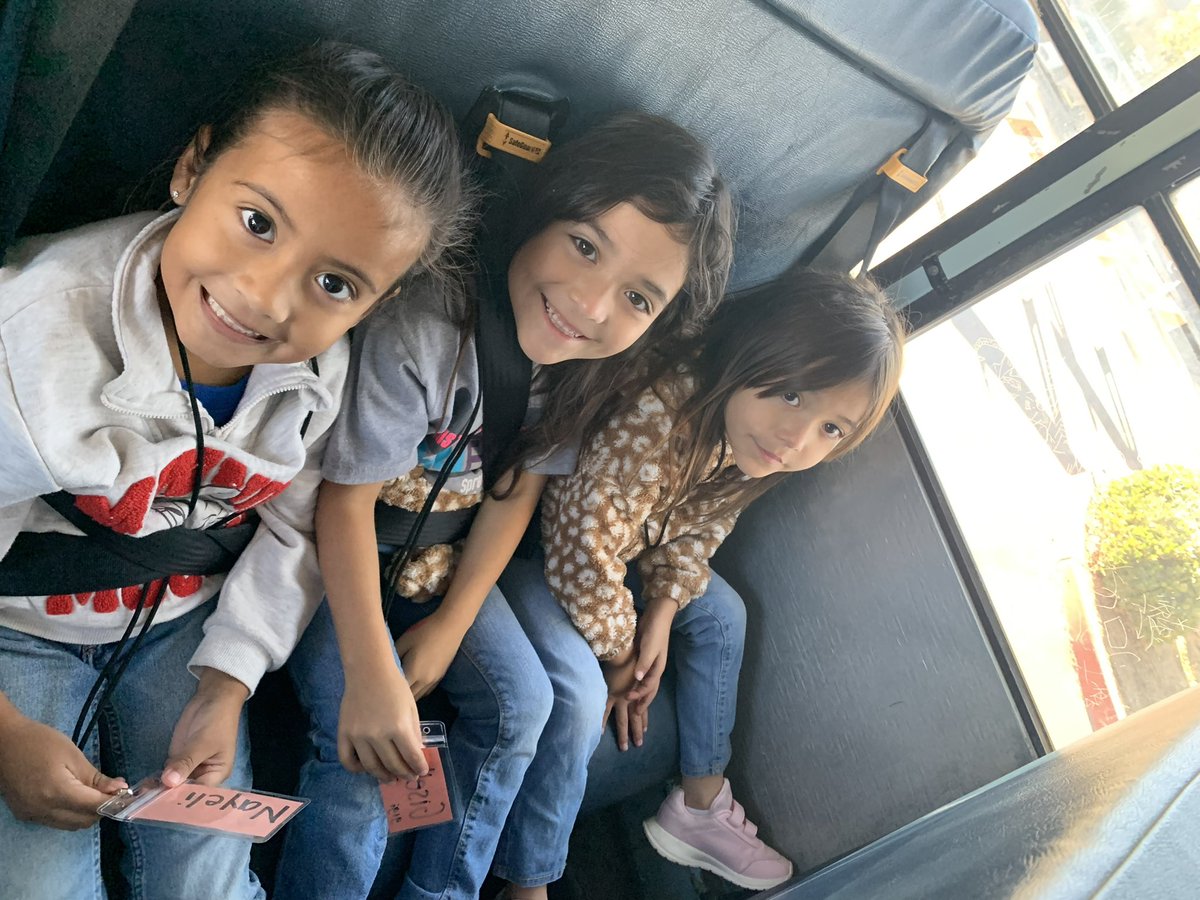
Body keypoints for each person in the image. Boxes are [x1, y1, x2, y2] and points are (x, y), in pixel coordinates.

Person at [0, 41, 470, 900]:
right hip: (19, 626)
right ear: (191, 168)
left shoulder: (315, 378)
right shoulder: (39, 337)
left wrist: (228, 682)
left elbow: (292, 526)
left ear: (378, 303)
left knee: (208, 878)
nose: (265, 297)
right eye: (257, 222)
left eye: (334, 282)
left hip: (180, 632)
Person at [275, 111, 734, 900]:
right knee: (363, 759)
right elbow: (344, 507)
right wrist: (373, 670)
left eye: (637, 298)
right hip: (334, 563)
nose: (590, 308)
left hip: (441, 565)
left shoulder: (578, 372)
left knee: (524, 705)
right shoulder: (429, 331)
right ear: (544, 206)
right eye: (585, 246)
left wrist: (450, 628)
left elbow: (513, 493)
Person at [524, 269, 905, 892]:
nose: (798, 438)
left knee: (722, 614)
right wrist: (624, 661)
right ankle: (529, 873)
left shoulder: (748, 435)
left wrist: (664, 612)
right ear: (755, 350)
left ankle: (699, 802)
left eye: (832, 429)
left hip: (627, 550)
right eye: (793, 395)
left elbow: (702, 529)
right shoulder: (664, 409)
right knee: (582, 696)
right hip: (546, 547)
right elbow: (580, 548)